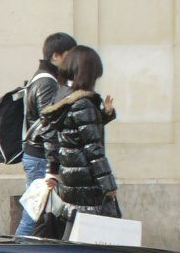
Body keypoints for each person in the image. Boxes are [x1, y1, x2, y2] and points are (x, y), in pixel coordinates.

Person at [39, 46, 118, 238]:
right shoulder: (83, 103)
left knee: (74, 226)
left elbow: (70, 133)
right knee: (95, 238)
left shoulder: (61, 97)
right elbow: (93, 148)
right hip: (87, 181)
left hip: (71, 178)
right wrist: (109, 185)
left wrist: (105, 114)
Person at [15, 32, 76, 236]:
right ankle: (15, 252)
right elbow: (49, 126)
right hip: (41, 157)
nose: (73, 60)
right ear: (56, 56)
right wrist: (53, 168)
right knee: (34, 213)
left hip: (38, 155)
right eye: (70, 54)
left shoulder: (45, 79)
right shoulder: (47, 83)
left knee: (37, 212)